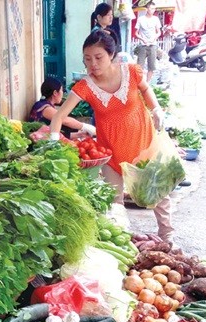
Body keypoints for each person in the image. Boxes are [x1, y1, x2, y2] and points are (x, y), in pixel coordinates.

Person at [49, 30, 175, 245]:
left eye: (98, 58)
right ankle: (123, 246)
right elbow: (60, 115)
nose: (93, 64)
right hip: (111, 154)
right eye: (87, 59)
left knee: (159, 194)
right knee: (115, 205)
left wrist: (156, 110)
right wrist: (52, 139)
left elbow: (146, 90)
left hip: (144, 146)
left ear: (111, 55)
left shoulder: (132, 72)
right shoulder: (85, 86)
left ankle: (168, 237)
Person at [29, 77, 96, 138]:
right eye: (61, 90)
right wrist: (86, 127)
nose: (62, 93)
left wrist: (80, 134)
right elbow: (65, 120)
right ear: (55, 93)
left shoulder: (42, 104)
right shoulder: (46, 109)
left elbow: (58, 133)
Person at [135, 1, 162, 82]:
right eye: (151, 8)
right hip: (142, 45)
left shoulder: (156, 19)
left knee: (152, 66)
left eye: (154, 9)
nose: (153, 10)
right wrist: (142, 39)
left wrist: (154, 38)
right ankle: (140, 82)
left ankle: (147, 83)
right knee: (139, 66)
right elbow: (136, 33)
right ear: (147, 9)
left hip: (153, 45)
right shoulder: (140, 19)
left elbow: (159, 32)